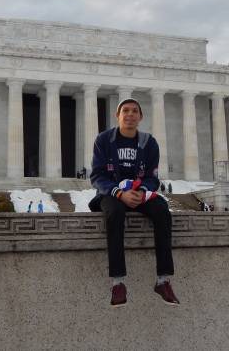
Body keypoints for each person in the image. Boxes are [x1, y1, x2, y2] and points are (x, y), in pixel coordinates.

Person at [89, 98, 179, 307]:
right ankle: (118, 282)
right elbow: (97, 176)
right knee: (115, 213)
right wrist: (119, 193)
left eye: (134, 111)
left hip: (139, 193)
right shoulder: (103, 140)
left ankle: (163, 279)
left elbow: (153, 176)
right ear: (117, 115)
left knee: (162, 211)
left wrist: (142, 191)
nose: (130, 114)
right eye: (125, 111)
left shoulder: (149, 142)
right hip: (112, 194)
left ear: (140, 117)